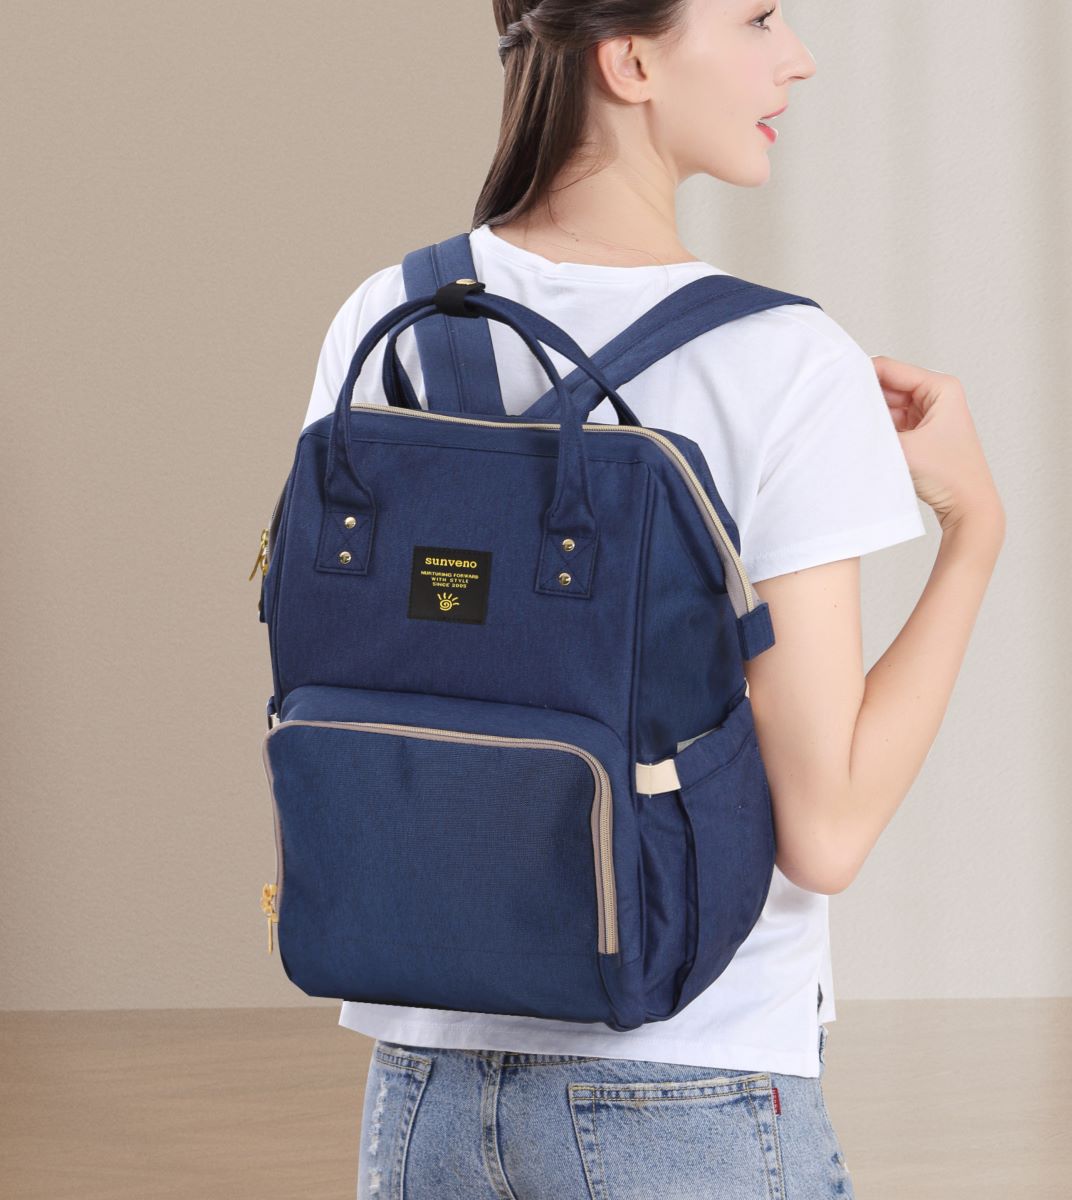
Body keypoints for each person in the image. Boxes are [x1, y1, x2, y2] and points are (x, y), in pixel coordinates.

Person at [299, 2, 1005, 1196]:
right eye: (758, 18)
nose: (797, 57)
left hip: (423, 1089)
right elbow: (826, 832)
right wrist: (975, 531)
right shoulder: (784, 361)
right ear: (628, 60)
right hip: (688, 1083)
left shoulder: (385, 321)